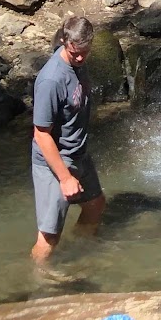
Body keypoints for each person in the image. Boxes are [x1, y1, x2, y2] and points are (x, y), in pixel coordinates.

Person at [31, 14, 106, 261]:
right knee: (49, 236)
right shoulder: (51, 80)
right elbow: (41, 134)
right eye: (75, 53)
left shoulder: (78, 62)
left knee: (95, 205)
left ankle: (80, 253)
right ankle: (38, 276)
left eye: (85, 52)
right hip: (56, 161)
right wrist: (64, 178)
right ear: (65, 42)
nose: (81, 58)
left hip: (78, 153)